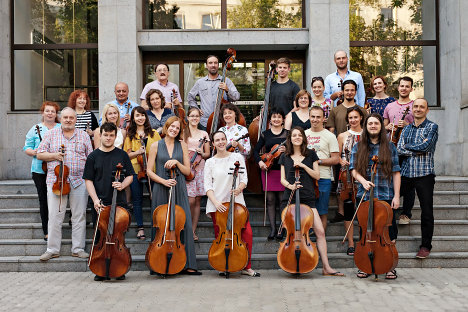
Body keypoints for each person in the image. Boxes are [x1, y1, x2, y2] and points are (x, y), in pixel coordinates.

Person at [279, 127, 344, 276]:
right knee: (294, 233)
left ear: (303, 137)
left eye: (299, 135)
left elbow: (317, 175)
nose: (297, 137)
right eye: (294, 135)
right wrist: (290, 186)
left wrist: (302, 166)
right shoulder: (285, 156)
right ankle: (294, 262)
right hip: (290, 197)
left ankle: (326, 267)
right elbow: (282, 179)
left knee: (320, 232)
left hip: (308, 197)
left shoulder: (311, 154)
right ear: (290, 138)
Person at [36, 107, 93, 261]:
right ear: (60, 119)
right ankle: (52, 249)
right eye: (65, 117)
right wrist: (55, 155)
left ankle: (78, 248)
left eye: (71, 118)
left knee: (79, 216)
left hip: (79, 180)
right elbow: (40, 154)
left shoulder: (83, 136)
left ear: (75, 120)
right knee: (55, 216)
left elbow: (91, 158)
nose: (68, 120)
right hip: (56, 182)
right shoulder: (50, 134)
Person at [146, 116, 201, 275]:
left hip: (178, 187)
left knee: (184, 223)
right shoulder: (156, 145)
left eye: (177, 128)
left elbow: (187, 171)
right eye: (172, 126)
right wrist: (163, 181)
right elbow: (149, 171)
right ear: (167, 126)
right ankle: (158, 262)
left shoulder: (182, 145)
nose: (174, 129)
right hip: (161, 187)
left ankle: (187, 264)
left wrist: (177, 163)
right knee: (160, 224)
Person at [349, 113, 400, 279]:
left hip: (385, 195)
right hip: (365, 197)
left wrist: (397, 196)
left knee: (389, 232)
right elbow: (353, 169)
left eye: (376, 123)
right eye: (370, 123)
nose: (372, 126)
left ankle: (390, 265)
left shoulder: (390, 147)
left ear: (381, 126)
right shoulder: (358, 146)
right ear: (366, 126)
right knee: (366, 231)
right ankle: (365, 264)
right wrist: (363, 181)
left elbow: (396, 172)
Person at [83, 122, 135, 281]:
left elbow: (130, 176)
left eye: (111, 135)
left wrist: (122, 185)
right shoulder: (93, 156)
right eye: (105, 135)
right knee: (100, 236)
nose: (108, 138)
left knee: (118, 236)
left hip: (119, 203)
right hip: (100, 203)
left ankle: (119, 268)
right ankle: (100, 269)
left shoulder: (122, 155)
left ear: (115, 136)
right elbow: (88, 180)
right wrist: (95, 200)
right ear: (100, 135)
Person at [204, 131, 260, 277]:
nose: (221, 142)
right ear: (213, 143)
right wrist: (216, 203)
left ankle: (246, 266)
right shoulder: (210, 162)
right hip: (218, 204)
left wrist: (239, 189)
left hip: (237, 204)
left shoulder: (237, 157)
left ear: (226, 140)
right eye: (217, 140)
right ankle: (223, 264)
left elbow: (244, 179)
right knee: (221, 236)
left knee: (246, 233)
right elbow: (207, 186)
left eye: (223, 139)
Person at [397, 98, 438, 259]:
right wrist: (415, 149)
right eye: (416, 106)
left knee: (427, 212)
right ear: (412, 109)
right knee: (389, 203)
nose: (418, 109)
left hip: (425, 175)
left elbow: (427, 147)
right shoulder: (406, 130)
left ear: (427, 110)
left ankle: (425, 246)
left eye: (422, 107)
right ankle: (389, 238)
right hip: (406, 174)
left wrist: (409, 147)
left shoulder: (432, 127)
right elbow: (399, 148)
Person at [23, 101, 61, 241]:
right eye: (47, 111)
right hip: (39, 169)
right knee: (44, 199)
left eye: (53, 111)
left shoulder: (60, 127)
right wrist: (35, 152)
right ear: (43, 112)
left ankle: (57, 227)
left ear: (56, 114)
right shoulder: (35, 129)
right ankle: (47, 230)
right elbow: (26, 147)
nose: (50, 113)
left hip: (58, 169)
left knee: (57, 198)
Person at [123, 107, 162, 240]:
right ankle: (140, 228)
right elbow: (126, 155)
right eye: (137, 115)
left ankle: (157, 226)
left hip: (152, 170)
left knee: (155, 199)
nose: (140, 118)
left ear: (146, 117)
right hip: (135, 171)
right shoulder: (130, 135)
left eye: (142, 115)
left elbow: (160, 152)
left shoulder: (154, 133)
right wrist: (138, 152)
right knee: (137, 200)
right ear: (133, 118)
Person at [383, 76, 415, 225]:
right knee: (391, 180)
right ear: (398, 88)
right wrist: (387, 127)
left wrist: (408, 124)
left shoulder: (415, 106)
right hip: (392, 147)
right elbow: (383, 127)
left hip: (408, 149)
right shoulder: (390, 106)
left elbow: (419, 127)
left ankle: (406, 213)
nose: (403, 88)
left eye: (407, 86)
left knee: (408, 181)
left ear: (411, 89)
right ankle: (392, 209)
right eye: (401, 86)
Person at [253, 109, 288, 239]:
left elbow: (296, 150)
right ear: (270, 120)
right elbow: (256, 151)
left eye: (279, 117)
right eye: (274, 117)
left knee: (282, 200)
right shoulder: (265, 134)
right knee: (270, 200)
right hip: (268, 169)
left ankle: (282, 229)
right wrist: (260, 163)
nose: (276, 119)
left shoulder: (288, 134)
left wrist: (287, 149)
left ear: (283, 119)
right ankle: (273, 229)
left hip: (282, 170)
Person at [304, 106, 340, 231]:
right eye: (313, 116)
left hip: (324, 178)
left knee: (322, 211)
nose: (315, 119)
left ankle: (320, 241)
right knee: (306, 211)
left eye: (318, 117)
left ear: (324, 118)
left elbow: (336, 159)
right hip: (306, 178)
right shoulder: (303, 134)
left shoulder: (330, 136)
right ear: (309, 117)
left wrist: (317, 161)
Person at [335, 107, 364, 255]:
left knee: (363, 210)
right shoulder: (342, 136)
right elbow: (336, 155)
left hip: (363, 176)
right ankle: (351, 243)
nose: (353, 120)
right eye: (350, 118)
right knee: (348, 209)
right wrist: (341, 161)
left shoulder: (367, 134)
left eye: (356, 117)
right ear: (347, 120)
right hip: (346, 176)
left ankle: (363, 241)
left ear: (361, 118)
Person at [188, 55, 240, 130]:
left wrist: (227, 89)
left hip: (223, 122)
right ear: (206, 65)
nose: (213, 65)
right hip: (205, 123)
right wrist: (196, 109)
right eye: (210, 63)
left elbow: (236, 96)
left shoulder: (226, 80)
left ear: (218, 65)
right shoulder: (200, 82)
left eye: (215, 63)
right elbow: (190, 97)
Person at [183, 107, 210, 241]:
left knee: (198, 200)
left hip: (199, 169)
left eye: (197, 116)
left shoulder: (204, 134)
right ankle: (186, 228)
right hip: (188, 170)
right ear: (187, 117)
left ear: (199, 118)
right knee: (190, 200)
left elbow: (207, 154)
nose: (194, 118)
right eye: (192, 116)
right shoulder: (183, 133)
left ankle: (193, 231)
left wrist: (201, 153)